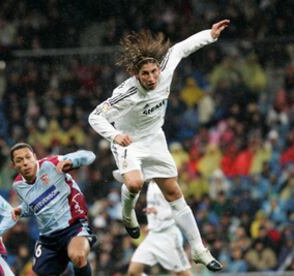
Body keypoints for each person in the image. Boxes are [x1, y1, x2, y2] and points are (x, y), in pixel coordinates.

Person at [88, 20, 230, 272]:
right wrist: (114, 135)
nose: (152, 78)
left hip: (154, 137)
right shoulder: (125, 94)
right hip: (128, 140)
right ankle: (128, 214)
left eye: (154, 72)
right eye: (146, 74)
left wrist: (210, 34)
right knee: (134, 183)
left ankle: (198, 249)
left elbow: (180, 49)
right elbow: (95, 116)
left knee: (174, 192)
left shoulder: (164, 71)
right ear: (135, 74)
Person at [10, 142, 96, 276]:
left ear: (34, 157)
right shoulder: (18, 185)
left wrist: (72, 161)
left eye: (28, 157)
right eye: (19, 160)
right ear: (14, 165)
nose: (25, 163)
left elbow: (89, 155)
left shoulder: (51, 164)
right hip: (48, 238)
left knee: (78, 256)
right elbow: (35, 205)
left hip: (73, 226)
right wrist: (21, 210)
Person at [114, 171, 191, 276]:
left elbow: (179, 209)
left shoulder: (168, 185)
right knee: (133, 271)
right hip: (153, 235)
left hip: (168, 235)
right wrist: (151, 225)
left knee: (182, 273)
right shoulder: (151, 184)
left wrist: (158, 212)